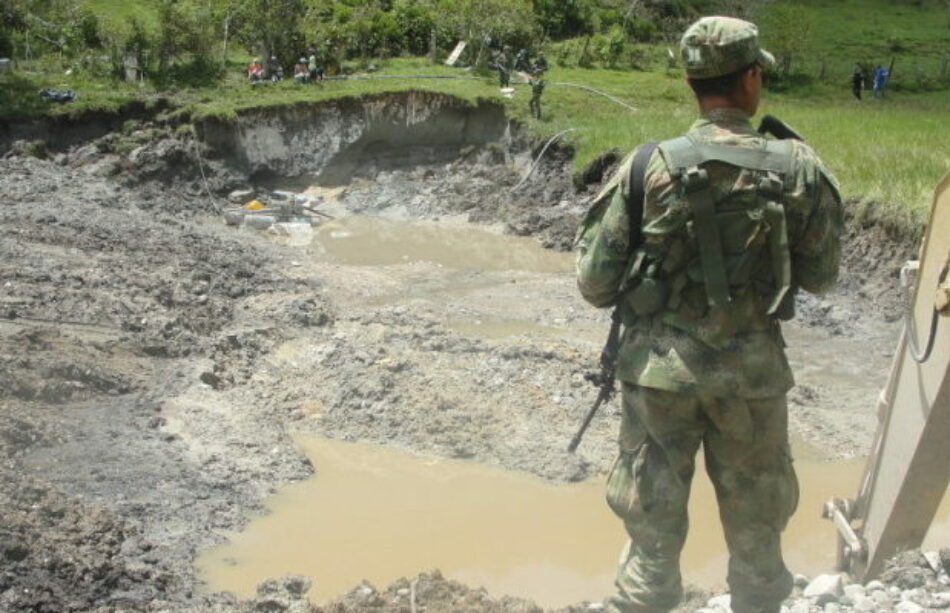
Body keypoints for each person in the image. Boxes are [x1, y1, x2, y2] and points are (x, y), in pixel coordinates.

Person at [575, 15, 843, 613]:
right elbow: (824, 277)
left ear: (693, 83)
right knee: (758, 538)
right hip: (752, 379)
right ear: (750, 80)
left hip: (657, 378)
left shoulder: (648, 166)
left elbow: (594, 283)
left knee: (651, 538)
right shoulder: (796, 166)